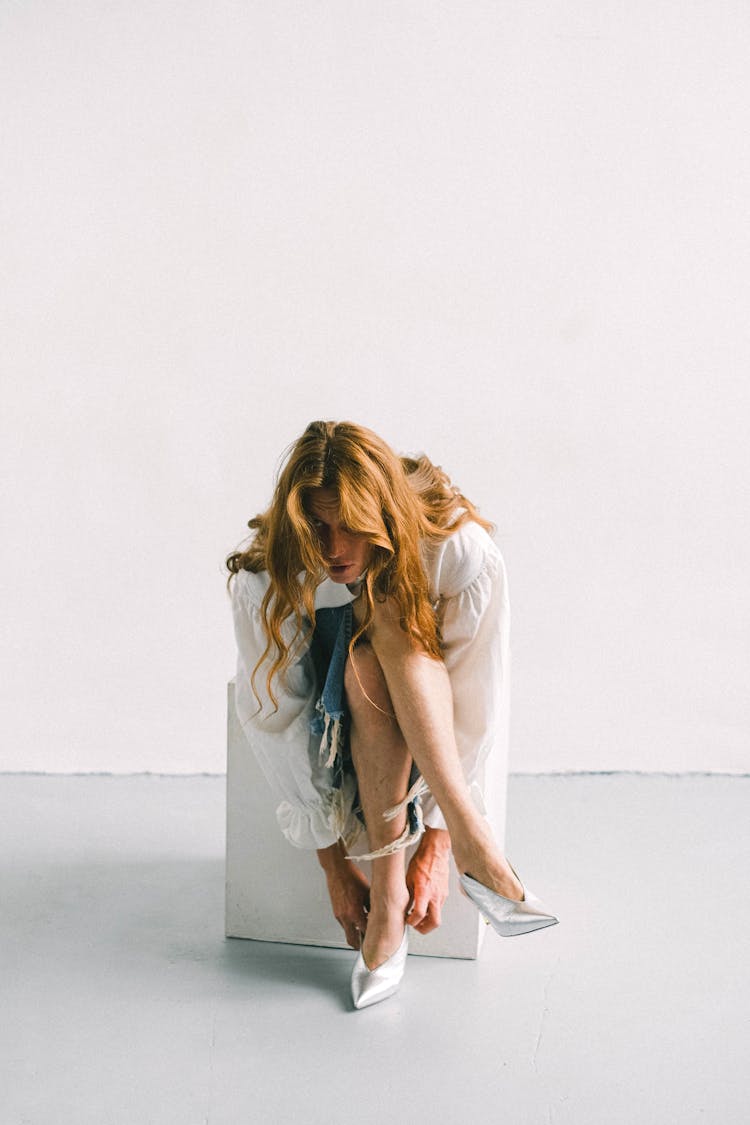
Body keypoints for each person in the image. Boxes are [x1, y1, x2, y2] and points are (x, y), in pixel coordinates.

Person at [226, 420, 558, 1009]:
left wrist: (437, 842)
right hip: (335, 715)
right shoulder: (267, 580)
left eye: (352, 527)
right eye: (318, 528)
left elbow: (476, 697)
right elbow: (278, 717)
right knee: (363, 662)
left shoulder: (456, 551)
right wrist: (331, 865)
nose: (333, 549)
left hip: (423, 701)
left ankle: (429, 872)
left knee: (391, 618)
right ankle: (473, 856)